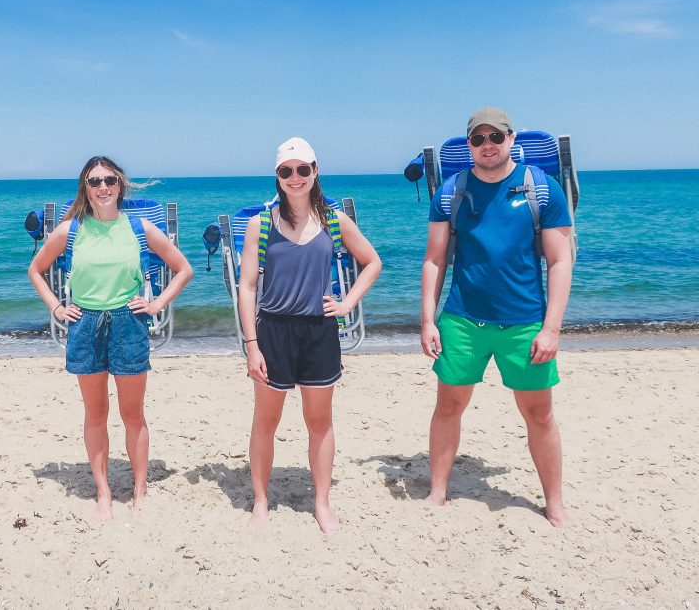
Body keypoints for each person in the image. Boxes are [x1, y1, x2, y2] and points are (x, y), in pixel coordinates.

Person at [420, 106, 573, 527]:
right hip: (463, 320)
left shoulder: (542, 189)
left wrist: (552, 328)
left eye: (495, 136)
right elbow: (435, 260)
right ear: (469, 146)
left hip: (525, 323)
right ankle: (437, 492)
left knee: (539, 413)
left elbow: (560, 261)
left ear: (512, 138)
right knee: (449, 405)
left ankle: (554, 502)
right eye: (478, 139)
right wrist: (428, 320)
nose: (488, 145)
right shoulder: (451, 192)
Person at [28, 156, 193, 522]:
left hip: (128, 324)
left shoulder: (139, 228)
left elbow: (183, 268)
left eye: (109, 180)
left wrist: (156, 304)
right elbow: (35, 270)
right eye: (94, 181)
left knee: (132, 414)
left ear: (120, 185)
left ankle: (140, 488)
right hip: (85, 325)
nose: (102, 187)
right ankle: (103, 490)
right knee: (95, 413)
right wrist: (57, 308)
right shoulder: (70, 231)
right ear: (84, 188)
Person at [238, 137, 382, 533]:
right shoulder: (261, 223)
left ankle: (321, 503)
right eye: (287, 171)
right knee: (266, 421)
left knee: (320, 420)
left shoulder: (333, 221)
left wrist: (348, 302)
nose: (295, 177)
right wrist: (252, 346)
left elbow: (371, 262)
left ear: (316, 171)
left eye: (303, 169)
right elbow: (247, 287)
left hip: (319, 331)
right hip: (273, 331)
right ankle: (261, 501)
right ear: (278, 177)